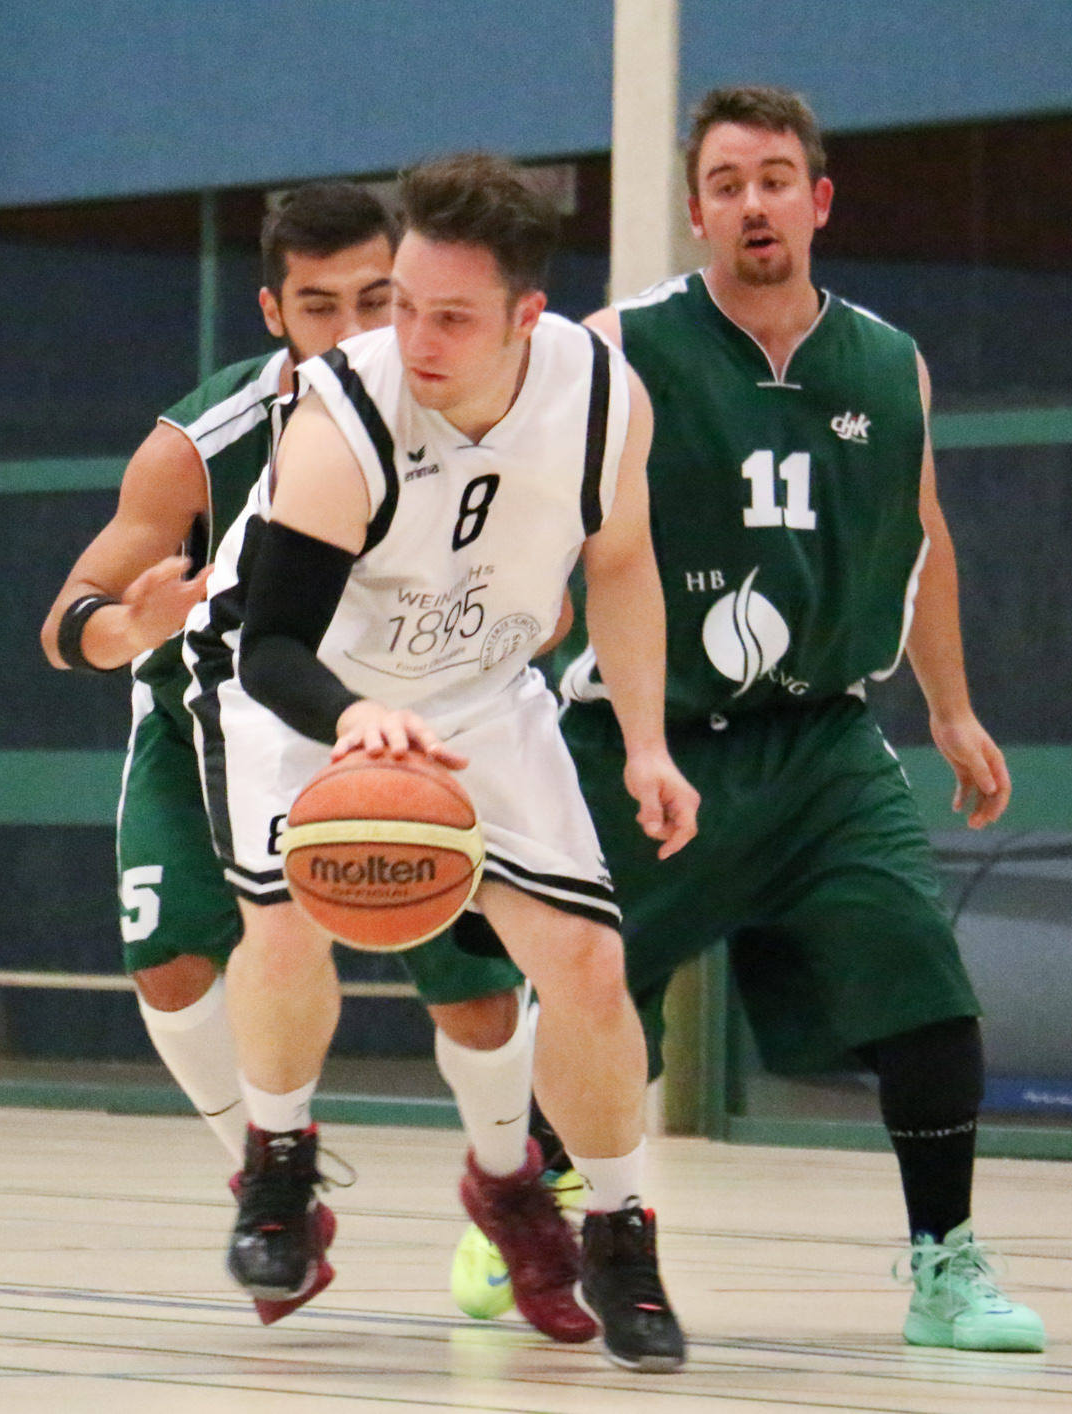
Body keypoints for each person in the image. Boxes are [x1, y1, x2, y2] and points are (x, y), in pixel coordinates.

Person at [460, 85, 1047, 1352]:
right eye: (726, 185)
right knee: (590, 1003)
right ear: (698, 213)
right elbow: (528, 495)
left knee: (925, 986)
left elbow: (922, 535)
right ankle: (529, 1209)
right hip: (644, 739)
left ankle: (944, 1267)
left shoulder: (889, 363)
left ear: (818, 199)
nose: (753, 203)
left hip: (822, 741)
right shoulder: (620, 345)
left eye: (775, 178)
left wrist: (951, 710)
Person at [184, 153, 700, 1372]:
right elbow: (271, 645)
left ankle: (619, 1231)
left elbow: (622, 562)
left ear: (528, 316)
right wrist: (354, 715)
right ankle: (278, 1161)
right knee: (284, 922)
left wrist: (646, 741)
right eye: (404, 304)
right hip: (303, 693)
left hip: (478, 689)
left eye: (451, 317)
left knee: (587, 961)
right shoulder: (343, 412)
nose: (412, 336)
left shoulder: (603, 397)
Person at [39, 183, 527, 1321]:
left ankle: (510, 1188)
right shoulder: (198, 447)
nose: (354, 330)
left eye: (376, 299)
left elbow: (548, 584)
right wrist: (128, 627)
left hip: (406, 720)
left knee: (478, 999)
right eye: (320, 306)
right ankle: (272, 1186)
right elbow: (68, 618)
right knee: (169, 964)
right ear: (273, 312)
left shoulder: (474, 411)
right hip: (207, 718)